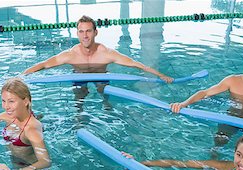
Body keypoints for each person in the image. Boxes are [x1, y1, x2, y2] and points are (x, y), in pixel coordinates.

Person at [22, 15, 173, 105]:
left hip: (101, 77)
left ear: (96, 32)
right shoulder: (70, 54)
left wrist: (161, 75)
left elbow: (137, 65)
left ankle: (107, 111)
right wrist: (22, 76)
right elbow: (44, 65)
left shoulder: (106, 53)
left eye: (88, 31)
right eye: (81, 32)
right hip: (79, 76)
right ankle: (79, 117)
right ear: (78, 34)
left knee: (104, 93)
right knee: (79, 98)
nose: (85, 35)